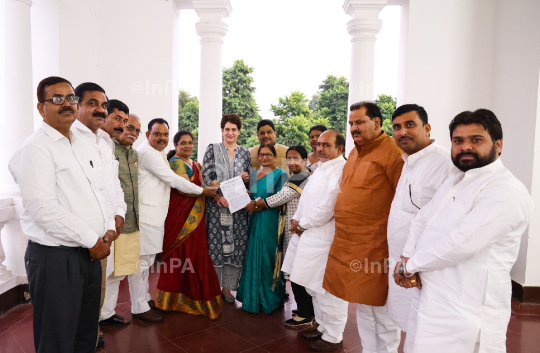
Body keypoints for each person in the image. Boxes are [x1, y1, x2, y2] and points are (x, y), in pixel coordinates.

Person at [394, 109, 533, 353]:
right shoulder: (456, 178)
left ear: (498, 145)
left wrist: (410, 266)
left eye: (476, 140)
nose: (465, 147)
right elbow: (422, 219)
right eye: (458, 141)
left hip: (466, 310)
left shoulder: (504, 189)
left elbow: (461, 244)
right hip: (430, 299)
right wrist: (407, 257)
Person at [9, 76, 112, 353]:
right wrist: (93, 239)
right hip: (56, 257)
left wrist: (107, 227)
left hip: (88, 254)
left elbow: (99, 190)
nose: (66, 104)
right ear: (41, 108)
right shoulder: (35, 148)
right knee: (58, 337)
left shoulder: (82, 141)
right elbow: (43, 209)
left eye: (71, 98)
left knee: (85, 332)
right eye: (56, 99)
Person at [323, 101, 404, 353]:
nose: (353, 128)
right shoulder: (356, 151)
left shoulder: (393, 152)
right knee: (363, 306)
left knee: (382, 309)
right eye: (351, 124)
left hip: (376, 244)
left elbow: (402, 203)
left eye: (359, 122)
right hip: (348, 242)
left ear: (377, 123)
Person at [134, 118, 218, 322]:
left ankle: (144, 299)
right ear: (148, 135)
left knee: (146, 261)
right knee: (143, 263)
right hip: (147, 215)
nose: (161, 138)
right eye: (157, 134)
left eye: (164, 134)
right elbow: (173, 180)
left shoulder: (157, 153)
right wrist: (203, 191)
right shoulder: (148, 153)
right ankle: (138, 306)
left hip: (156, 215)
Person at [386, 104, 453, 345]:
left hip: (420, 266)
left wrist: (415, 262)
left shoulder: (445, 163)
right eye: (396, 127)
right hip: (400, 260)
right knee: (408, 325)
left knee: (424, 332)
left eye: (409, 125)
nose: (402, 132)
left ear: (427, 128)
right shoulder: (409, 161)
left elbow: (444, 222)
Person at [71, 83, 127, 348]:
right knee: (73, 301)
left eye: (103, 105)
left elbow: (113, 185)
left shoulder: (104, 142)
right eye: (92, 103)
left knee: (96, 295)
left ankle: (90, 337)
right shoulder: (67, 137)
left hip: (104, 236)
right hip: (76, 239)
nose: (100, 109)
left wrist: (118, 214)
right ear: (77, 105)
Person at [283, 130, 348, 352]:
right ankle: (321, 326)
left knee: (327, 288)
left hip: (323, 237)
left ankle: (334, 336)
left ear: (339, 149)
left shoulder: (341, 170)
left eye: (326, 145)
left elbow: (329, 207)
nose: (319, 148)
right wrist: (296, 218)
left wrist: (303, 223)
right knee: (312, 285)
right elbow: (306, 199)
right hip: (307, 234)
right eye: (318, 144)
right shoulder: (320, 168)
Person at [154, 130, 222, 320]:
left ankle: (193, 298)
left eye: (190, 143)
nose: (187, 146)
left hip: (196, 216)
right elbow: (187, 189)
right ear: (175, 146)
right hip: (181, 216)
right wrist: (209, 192)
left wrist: (229, 183)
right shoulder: (175, 162)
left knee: (194, 252)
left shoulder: (195, 164)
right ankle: (172, 299)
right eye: (183, 143)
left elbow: (206, 184)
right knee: (181, 254)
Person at [246, 145, 313, 326]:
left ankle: (307, 313)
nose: (291, 162)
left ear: (305, 160)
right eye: (289, 159)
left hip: (297, 230)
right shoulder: (298, 176)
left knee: (297, 272)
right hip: (292, 228)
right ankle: (306, 308)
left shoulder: (301, 177)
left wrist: (257, 204)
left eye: (296, 158)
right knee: (295, 271)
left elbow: (280, 197)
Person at [203, 114, 251, 304]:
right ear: (222, 130)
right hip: (217, 206)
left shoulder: (245, 153)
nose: (230, 133)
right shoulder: (212, 150)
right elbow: (206, 176)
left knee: (236, 247)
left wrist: (245, 178)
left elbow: (247, 179)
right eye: (227, 129)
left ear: (239, 131)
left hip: (237, 208)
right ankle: (214, 287)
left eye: (234, 129)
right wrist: (218, 195)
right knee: (215, 247)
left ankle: (227, 289)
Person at [100, 113, 142, 327]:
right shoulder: (107, 149)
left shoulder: (134, 154)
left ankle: (107, 313)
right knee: (105, 272)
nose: (133, 133)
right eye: (130, 127)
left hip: (130, 221)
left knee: (120, 271)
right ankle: (96, 317)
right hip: (110, 223)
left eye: (137, 130)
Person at [236, 144, 289, 313]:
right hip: (254, 219)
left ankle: (271, 297)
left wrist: (256, 206)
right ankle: (253, 297)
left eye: (268, 155)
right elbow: (250, 197)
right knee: (253, 254)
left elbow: (280, 199)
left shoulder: (281, 174)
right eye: (261, 155)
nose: (264, 157)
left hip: (270, 218)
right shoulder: (253, 175)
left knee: (268, 256)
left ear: (274, 156)